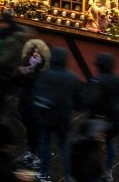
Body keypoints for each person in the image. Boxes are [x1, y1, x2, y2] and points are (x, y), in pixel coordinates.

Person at [28, 47, 81, 182]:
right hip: (63, 118)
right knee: (64, 147)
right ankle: (69, 176)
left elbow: (35, 94)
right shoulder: (73, 77)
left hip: (45, 116)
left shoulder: (44, 75)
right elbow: (78, 100)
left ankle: (45, 173)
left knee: (44, 144)